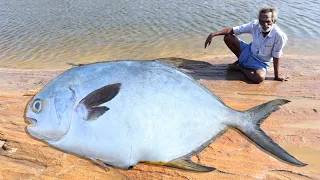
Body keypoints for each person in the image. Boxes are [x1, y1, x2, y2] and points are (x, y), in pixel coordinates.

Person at [204, 7, 288, 84]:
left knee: (259, 78)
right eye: (262, 21)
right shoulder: (254, 25)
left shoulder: (279, 36)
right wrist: (214, 34)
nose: (265, 24)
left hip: (261, 63)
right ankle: (241, 61)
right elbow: (233, 30)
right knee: (228, 37)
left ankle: (241, 68)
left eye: (268, 21)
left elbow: (276, 55)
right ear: (258, 20)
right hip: (248, 51)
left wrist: (276, 76)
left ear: (274, 21)